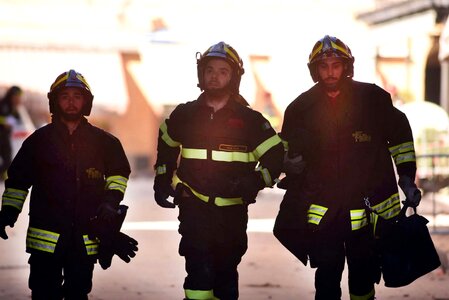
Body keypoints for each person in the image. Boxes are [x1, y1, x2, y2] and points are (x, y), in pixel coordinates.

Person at [276, 35, 421, 300]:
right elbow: (285, 152)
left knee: (363, 278)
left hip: (367, 212)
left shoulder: (373, 99)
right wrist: (288, 165)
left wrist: (407, 178)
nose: (330, 72)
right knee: (327, 276)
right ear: (315, 70)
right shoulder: (300, 108)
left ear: (346, 66)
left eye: (335, 65)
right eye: (324, 66)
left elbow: (400, 139)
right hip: (324, 213)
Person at [153, 41, 284, 300]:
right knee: (198, 270)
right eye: (209, 70)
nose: (215, 76)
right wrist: (162, 179)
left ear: (234, 76)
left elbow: (275, 157)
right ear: (201, 74)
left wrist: (255, 181)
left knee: (225, 272)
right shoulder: (185, 114)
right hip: (193, 204)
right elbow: (167, 140)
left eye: (223, 71)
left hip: (232, 209)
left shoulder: (251, 120)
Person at [0, 70, 137, 300]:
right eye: (65, 96)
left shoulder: (105, 143)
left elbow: (119, 174)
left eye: (77, 96)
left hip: (84, 240)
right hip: (45, 242)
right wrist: (7, 214)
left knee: (78, 294)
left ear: (86, 102)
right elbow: (18, 182)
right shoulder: (38, 141)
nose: (71, 102)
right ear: (55, 101)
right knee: (44, 295)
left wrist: (111, 203)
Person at [0, 85, 23, 179]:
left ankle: (3, 175)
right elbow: (6, 122)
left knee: (8, 160)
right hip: (1, 135)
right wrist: (7, 121)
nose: (18, 99)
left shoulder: (13, 107)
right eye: (16, 97)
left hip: (5, 136)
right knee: (7, 159)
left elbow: (18, 120)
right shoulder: (3, 104)